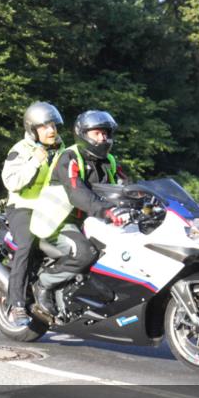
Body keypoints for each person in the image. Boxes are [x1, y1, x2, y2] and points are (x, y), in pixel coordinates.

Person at [29, 109, 130, 314]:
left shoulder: (109, 161)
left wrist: (147, 203)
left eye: (105, 133)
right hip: (58, 222)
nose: (103, 138)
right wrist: (106, 211)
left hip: (90, 222)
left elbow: (127, 187)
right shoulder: (70, 157)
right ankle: (43, 285)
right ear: (83, 134)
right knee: (85, 253)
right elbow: (77, 192)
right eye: (97, 133)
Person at [1, 101, 65, 327]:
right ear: (32, 129)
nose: (52, 131)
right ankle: (16, 304)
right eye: (45, 126)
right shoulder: (20, 150)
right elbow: (11, 182)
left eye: (54, 126)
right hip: (23, 207)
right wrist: (35, 161)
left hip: (53, 208)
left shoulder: (61, 149)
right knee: (27, 244)